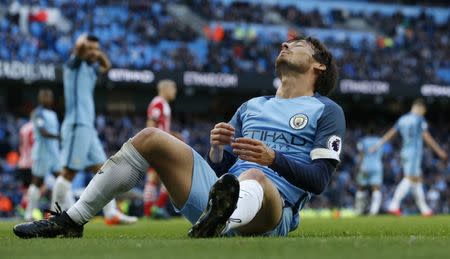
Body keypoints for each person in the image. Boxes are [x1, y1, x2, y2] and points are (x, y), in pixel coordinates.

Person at [13, 36, 345, 238]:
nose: (285, 45)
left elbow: (318, 181)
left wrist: (273, 159)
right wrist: (216, 150)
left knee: (256, 175)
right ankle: (73, 219)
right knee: (149, 137)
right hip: (218, 200)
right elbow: (222, 172)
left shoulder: (326, 111)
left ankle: (221, 223)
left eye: (297, 45)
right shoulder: (251, 106)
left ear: (318, 67)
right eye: (286, 43)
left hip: (274, 211)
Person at [52, 34, 137, 225]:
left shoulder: (90, 69)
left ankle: (111, 213)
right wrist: (84, 46)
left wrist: (97, 53)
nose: (92, 52)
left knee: (103, 169)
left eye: (95, 48)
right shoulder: (73, 65)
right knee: (69, 172)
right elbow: (80, 53)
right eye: (88, 48)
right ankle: (55, 215)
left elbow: (106, 66)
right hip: (77, 124)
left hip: (87, 127)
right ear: (81, 48)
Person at [370, 99, 447, 216]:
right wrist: (439, 151)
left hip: (405, 151)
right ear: (420, 108)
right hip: (414, 153)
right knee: (410, 178)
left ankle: (425, 209)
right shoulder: (419, 119)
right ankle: (393, 205)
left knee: (417, 180)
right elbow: (426, 136)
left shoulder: (402, 119)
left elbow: (391, 133)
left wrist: (378, 145)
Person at [24, 89, 61, 221]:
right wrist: (60, 136)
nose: (47, 98)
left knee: (62, 180)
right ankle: (29, 213)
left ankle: (56, 212)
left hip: (54, 153)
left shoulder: (53, 113)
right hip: (42, 153)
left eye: (49, 96)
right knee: (37, 182)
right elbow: (43, 132)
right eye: (44, 96)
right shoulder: (37, 113)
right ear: (40, 99)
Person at [143, 79, 177, 218]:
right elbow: (151, 122)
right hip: (158, 145)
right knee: (168, 176)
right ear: (165, 89)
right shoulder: (158, 102)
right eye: (173, 89)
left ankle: (151, 210)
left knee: (156, 177)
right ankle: (154, 208)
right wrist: (151, 143)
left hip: (160, 143)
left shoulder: (164, 104)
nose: (174, 92)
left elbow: (161, 127)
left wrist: (173, 135)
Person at [354, 127, 383, 215]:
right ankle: (374, 211)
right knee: (376, 188)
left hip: (365, 166)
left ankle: (359, 210)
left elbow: (361, 154)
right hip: (377, 166)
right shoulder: (380, 141)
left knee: (361, 188)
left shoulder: (363, 141)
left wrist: (359, 166)